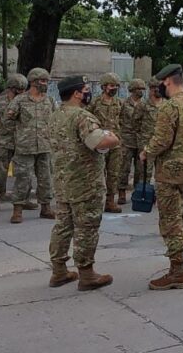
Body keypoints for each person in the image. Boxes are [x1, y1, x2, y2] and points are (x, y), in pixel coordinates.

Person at [142, 64, 183, 290]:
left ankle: (177, 271)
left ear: (167, 82)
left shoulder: (170, 108)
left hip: (171, 175)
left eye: (160, 83)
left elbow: (161, 140)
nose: (158, 87)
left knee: (171, 221)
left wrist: (146, 152)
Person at [47, 75, 117, 291]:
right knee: (86, 227)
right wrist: (113, 138)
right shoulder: (82, 117)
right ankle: (87, 274)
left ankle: (58, 270)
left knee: (62, 226)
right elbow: (100, 141)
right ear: (77, 93)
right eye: (86, 89)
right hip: (85, 183)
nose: (89, 92)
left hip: (62, 181)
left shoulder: (55, 115)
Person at [5, 68, 56, 223]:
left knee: (46, 178)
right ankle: (17, 210)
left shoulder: (49, 100)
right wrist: (19, 135)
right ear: (33, 82)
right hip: (25, 147)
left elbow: (55, 120)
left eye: (47, 81)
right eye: (42, 81)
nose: (45, 84)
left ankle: (46, 207)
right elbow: (8, 120)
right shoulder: (20, 100)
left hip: (45, 146)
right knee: (23, 178)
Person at [0, 73, 28, 214]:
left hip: (21, 142)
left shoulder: (26, 102)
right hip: (2, 143)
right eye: (18, 89)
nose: (21, 92)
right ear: (11, 88)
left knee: (23, 173)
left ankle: (23, 199)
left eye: (23, 89)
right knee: (0, 173)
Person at [88, 72, 125, 212]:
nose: (114, 88)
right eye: (111, 86)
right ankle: (95, 201)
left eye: (116, 86)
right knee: (97, 173)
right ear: (104, 87)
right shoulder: (94, 103)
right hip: (100, 142)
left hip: (115, 143)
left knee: (114, 173)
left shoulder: (119, 103)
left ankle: (110, 201)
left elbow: (122, 120)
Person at [119, 78, 146, 200]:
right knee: (124, 167)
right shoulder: (124, 104)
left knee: (140, 169)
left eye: (142, 89)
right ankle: (121, 192)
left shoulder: (145, 105)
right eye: (138, 89)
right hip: (127, 140)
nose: (141, 91)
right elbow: (118, 120)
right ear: (132, 90)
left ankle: (137, 191)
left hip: (140, 141)